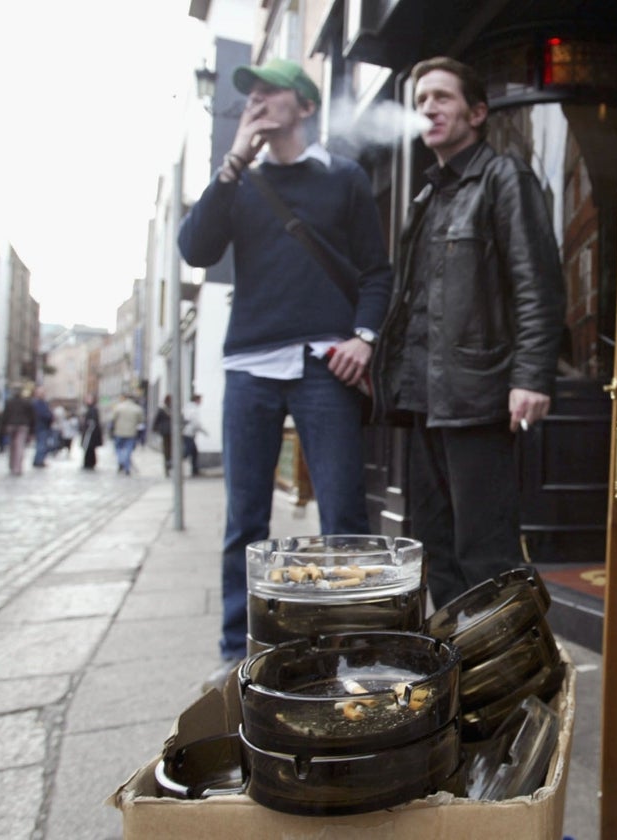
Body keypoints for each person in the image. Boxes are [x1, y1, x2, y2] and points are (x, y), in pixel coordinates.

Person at [177, 57, 393, 681]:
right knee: (245, 516)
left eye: (271, 92)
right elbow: (196, 250)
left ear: (304, 105)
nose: (258, 102)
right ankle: (234, 649)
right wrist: (230, 166)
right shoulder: (238, 181)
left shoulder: (344, 178)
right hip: (249, 366)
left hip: (325, 364)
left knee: (343, 516)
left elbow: (376, 273)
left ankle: (351, 644)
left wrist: (365, 338)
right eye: (252, 95)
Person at [371, 57, 565, 607]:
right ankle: (465, 674)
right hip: (426, 402)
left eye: (442, 97)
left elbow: (538, 285)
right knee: (437, 549)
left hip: (478, 399)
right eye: (420, 101)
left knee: (487, 556)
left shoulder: (504, 178)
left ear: (477, 112)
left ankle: (512, 684)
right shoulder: (428, 197)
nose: (428, 108)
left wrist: (531, 377)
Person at [2, 385, 35, 476]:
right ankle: (17, 467)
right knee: (19, 446)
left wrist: (3, 428)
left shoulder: (9, 402)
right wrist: (32, 430)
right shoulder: (26, 403)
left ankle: (12, 465)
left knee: (12, 446)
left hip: (11, 425)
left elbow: (5, 416)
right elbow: (32, 417)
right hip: (23, 426)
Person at [109, 392, 144, 475]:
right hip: (131, 432)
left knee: (118, 448)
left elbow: (113, 419)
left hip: (119, 432)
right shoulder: (137, 408)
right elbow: (141, 421)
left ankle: (121, 461)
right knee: (128, 450)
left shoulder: (118, 407)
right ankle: (126, 466)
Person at [30, 385, 53, 468]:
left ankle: (39, 460)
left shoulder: (44, 403)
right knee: (41, 444)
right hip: (40, 426)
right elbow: (42, 414)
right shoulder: (36, 403)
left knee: (42, 444)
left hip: (44, 426)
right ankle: (38, 460)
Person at [80, 394, 103, 470]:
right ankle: (89, 462)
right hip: (90, 433)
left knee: (90, 448)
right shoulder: (90, 409)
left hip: (91, 433)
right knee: (89, 449)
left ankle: (89, 463)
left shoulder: (92, 410)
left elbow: (92, 422)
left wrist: (88, 429)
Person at [152, 395, 173, 476]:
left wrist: (155, 429)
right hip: (170, 432)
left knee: (167, 450)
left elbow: (156, 421)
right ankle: (168, 464)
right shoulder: (172, 409)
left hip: (166, 432)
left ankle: (168, 464)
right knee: (169, 449)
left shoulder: (163, 410)